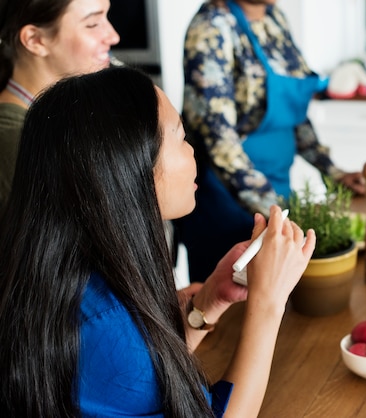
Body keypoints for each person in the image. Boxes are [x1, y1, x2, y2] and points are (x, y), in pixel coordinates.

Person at [0, 66, 316, 417]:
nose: (193, 151)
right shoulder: (103, 327)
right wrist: (268, 303)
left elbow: (148, 379)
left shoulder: (77, 276)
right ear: (129, 168)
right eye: (181, 138)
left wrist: (209, 301)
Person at [176, 0, 366, 282]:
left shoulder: (274, 19)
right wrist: (276, 212)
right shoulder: (211, 27)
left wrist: (332, 171)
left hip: (278, 193)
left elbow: (293, 110)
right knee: (229, 307)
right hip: (227, 204)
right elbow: (219, 141)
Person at [0, 0, 120, 211]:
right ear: (35, 40)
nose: (113, 36)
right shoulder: (15, 142)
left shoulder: (66, 115)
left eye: (106, 17)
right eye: (92, 24)